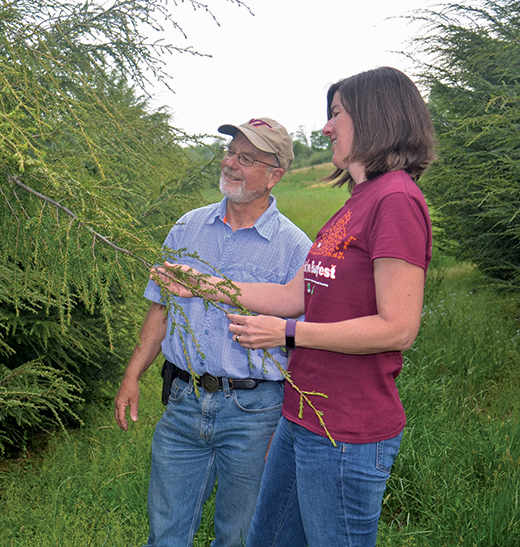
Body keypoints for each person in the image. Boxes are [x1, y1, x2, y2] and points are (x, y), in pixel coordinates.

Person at [153, 67, 435, 547]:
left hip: (347, 429)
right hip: (303, 414)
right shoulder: (357, 201)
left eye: (337, 114)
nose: (326, 127)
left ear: (375, 118)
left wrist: (286, 334)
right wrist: (204, 283)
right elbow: (292, 296)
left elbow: (398, 328)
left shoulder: (395, 201)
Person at [114, 117, 312, 547]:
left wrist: (286, 425)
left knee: (239, 537)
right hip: (183, 403)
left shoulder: (296, 248)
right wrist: (132, 376)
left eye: (247, 158)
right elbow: (160, 311)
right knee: (165, 536)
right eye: (230, 152)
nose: (231, 163)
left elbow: (302, 345)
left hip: (255, 413)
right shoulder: (187, 228)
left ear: (275, 174)